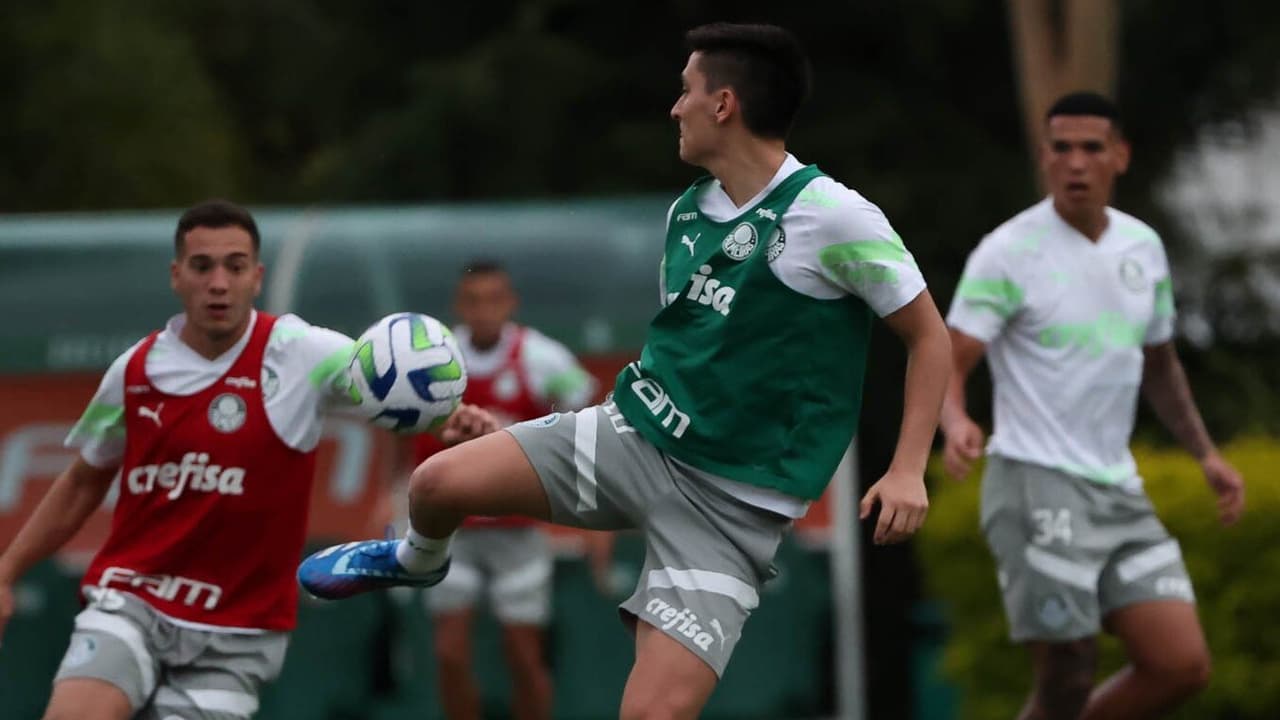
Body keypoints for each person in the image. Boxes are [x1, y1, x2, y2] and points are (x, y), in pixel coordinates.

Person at [299, 23, 951, 719]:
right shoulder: (690, 212)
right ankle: (418, 561)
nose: (676, 108)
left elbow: (929, 338)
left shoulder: (834, 216)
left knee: (650, 716)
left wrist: (909, 467)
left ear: (723, 105)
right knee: (436, 483)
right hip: (630, 440)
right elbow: (688, 353)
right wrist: (524, 433)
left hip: (731, 509)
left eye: (686, 92)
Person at [0, 199, 495, 720]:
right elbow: (83, 481)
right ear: (176, 276)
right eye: (202, 266)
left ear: (256, 277)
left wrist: (450, 417)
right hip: (133, 600)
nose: (218, 282)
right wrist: (6, 571)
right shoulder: (135, 370)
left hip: (238, 630)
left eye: (234, 266)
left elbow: (383, 380)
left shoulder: (300, 351)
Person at [940, 92, 1246, 720]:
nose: (1075, 162)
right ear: (1045, 158)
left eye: (1091, 148)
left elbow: (1159, 365)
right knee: (1068, 670)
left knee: (1179, 665)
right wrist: (954, 418)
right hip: (1035, 482)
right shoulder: (1007, 251)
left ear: (1120, 156)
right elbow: (950, 354)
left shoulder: (1143, 248)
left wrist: (1206, 455)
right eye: (1061, 148)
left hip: (1118, 491)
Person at [411, 259, 597, 720]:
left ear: (510, 303)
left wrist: (591, 510)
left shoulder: (541, 357)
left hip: (520, 529)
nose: (484, 310)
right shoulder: (435, 358)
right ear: (459, 306)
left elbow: (588, 417)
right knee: (449, 652)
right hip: (451, 529)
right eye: (473, 300)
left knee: (522, 653)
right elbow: (405, 431)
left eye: (494, 299)